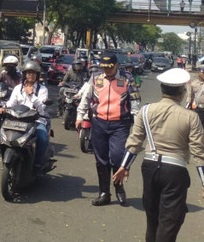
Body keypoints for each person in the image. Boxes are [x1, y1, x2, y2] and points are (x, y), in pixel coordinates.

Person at [113, 68, 204, 242]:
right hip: (175, 171)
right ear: (181, 93)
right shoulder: (191, 117)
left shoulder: (146, 111)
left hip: (149, 167)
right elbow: (199, 152)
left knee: (152, 218)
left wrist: (124, 166)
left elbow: (134, 142)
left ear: (162, 90)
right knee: (170, 221)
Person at [76, 53, 141, 206]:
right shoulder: (96, 77)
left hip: (120, 124)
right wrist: (79, 115)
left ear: (117, 65)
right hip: (99, 123)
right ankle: (104, 192)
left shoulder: (127, 78)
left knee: (118, 157)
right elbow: (86, 97)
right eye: (104, 67)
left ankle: (119, 189)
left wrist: (138, 127)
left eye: (110, 67)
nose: (107, 70)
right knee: (101, 160)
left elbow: (136, 102)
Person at [0, 61, 50, 175]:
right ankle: (5, 161)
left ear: (37, 75)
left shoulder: (42, 90)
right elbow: (11, 103)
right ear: (25, 74)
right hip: (17, 119)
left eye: (33, 73)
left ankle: (37, 165)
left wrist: (31, 95)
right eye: (28, 73)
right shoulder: (18, 88)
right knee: (0, 133)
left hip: (36, 120)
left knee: (42, 138)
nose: (31, 75)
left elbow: (42, 108)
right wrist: (4, 107)